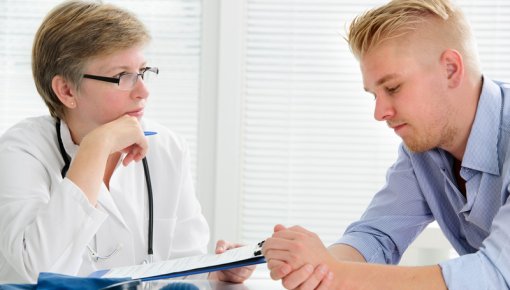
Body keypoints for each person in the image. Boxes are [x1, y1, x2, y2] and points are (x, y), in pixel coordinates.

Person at [0, 0, 253, 284]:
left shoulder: (167, 147)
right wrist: (95, 147)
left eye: (143, 72)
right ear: (67, 90)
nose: (143, 92)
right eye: (122, 76)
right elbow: (35, 270)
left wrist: (215, 271)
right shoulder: (21, 151)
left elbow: (184, 263)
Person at [261, 0, 510, 289]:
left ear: (451, 69)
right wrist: (314, 269)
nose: (380, 113)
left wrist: (337, 274)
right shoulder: (424, 147)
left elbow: (497, 275)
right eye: (374, 94)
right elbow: (377, 236)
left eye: (393, 88)